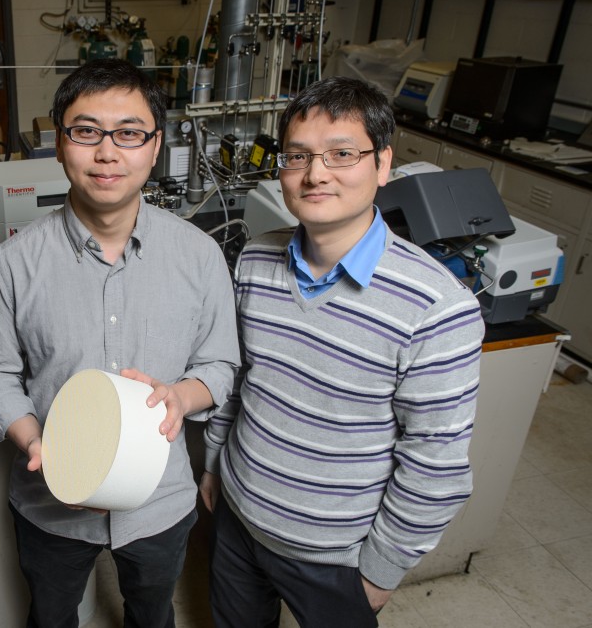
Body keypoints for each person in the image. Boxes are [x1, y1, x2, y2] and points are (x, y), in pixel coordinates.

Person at [201, 76, 485, 627]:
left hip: (335, 558)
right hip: (237, 521)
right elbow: (239, 380)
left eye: (342, 154)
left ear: (383, 165)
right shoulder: (254, 261)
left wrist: (378, 574)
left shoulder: (436, 306)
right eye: (298, 156)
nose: (316, 173)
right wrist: (214, 465)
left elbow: (436, 467)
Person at [0, 58, 240, 628]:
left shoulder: (198, 256)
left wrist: (181, 396)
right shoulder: (14, 264)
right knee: (50, 614)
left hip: (159, 500)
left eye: (128, 133)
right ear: (59, 142)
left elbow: (220, 363)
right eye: (86, 130)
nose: (107, 152)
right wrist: (36, 442)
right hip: (52, 503)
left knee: (152, 612)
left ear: (155, 145)